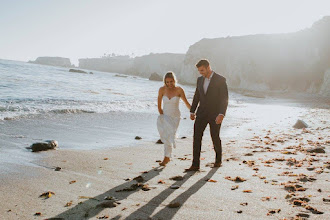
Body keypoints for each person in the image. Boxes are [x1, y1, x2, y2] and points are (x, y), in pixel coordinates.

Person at [185, 59, 228, 172]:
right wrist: (192, 111)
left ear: (208, 67)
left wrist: (221, 114)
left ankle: (218, 160)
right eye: (199, 71)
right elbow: (197, 96)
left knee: (215, 137)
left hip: (215, 114)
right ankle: (195, 165)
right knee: (196, 137)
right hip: (201, 113)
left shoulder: (220, 79)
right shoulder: (199, 80)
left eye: (202, 70)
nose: (201, 73)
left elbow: (224, 98)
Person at [157, 72, 191, 166]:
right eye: (167, 82)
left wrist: (193, 112)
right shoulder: (162, 90)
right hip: (165, 116)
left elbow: (186, 103)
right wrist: (162, 116)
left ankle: (167, 157)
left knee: (170, 135)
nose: (169, 84)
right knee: (167, 136)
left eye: (171, 81)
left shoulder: (179, 90)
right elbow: (159, 106)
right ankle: (166, 157)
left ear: (174, 80)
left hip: (175, 117)